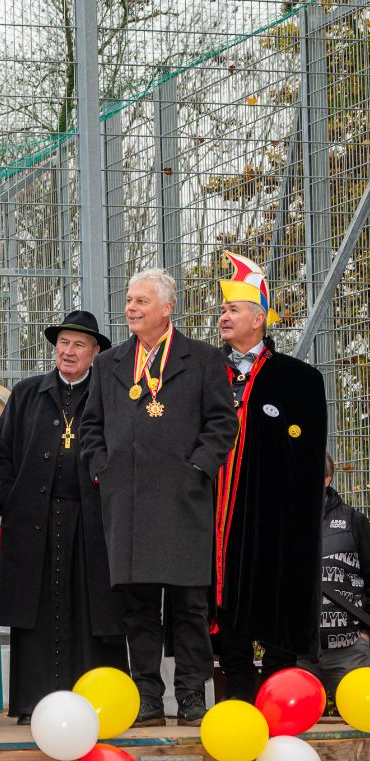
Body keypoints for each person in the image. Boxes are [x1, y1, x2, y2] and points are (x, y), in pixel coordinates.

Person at [79, 268, 238, 727]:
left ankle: (191, 696)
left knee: (189, 606)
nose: (131, 308)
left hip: (184, 501)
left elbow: (223, 423)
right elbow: (91, 426)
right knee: (139, 606)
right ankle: (147, 697)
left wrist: (198, 468)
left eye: (141, 301)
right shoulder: (110, 364)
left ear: (167, 308)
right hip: (127, 503)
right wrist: (103, 469)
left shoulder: (203, 359)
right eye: (130, 300)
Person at [0, 311, 126, 723]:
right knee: (38, 612)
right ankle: (34, 702)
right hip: (34, 521)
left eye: (79, 345)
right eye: (63, 342)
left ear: (95, 352)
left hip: (92, 522)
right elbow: (0, 454)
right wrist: (8, 501)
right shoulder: (27, 393)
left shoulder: (110, 394)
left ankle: (97, 702)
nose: (68, 351)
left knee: (92, 610)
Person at [209, 252, 328, 701]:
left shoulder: (298, 379)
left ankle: (280, 690)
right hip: (213, 515)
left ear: (258, 319)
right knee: (222, 600)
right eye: (222, 310)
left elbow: (306, 460)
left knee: (277, 592)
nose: (223, 316)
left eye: (233, 309)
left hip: (272, 517)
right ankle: (236, 690)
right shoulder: (205, 372)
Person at [310, 453, 370, 701]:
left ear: (327, 479)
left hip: (349, 650)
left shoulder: (354, 520)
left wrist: (365, 631)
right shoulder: (284, 522)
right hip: (299, 653)